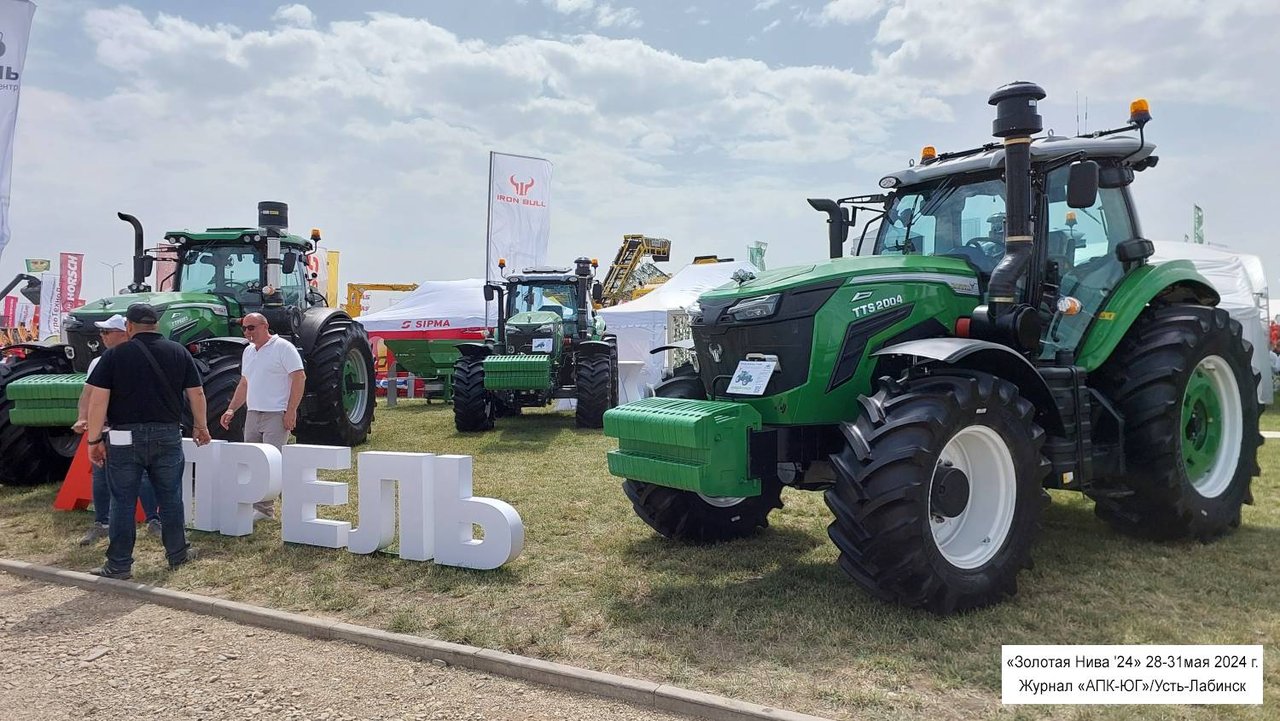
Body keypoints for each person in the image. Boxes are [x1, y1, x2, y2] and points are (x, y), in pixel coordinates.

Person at [84, 303, 211, 579]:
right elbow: (197, 393)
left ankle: (119, 564)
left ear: (128, 326)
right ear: (157, 325)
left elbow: (98, 401)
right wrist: (201, 426)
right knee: (171, 498)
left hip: (123, 438)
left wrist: (94, 440)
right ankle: (178, 554)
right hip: (167, 434)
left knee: (123, 501)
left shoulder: (115, 355)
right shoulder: (178, 351)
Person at [73, 314, 162, 545]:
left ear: (125, 332)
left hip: (130, 428)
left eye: (106, 332)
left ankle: (154, 520)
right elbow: (88, 394)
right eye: (101, 332)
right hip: (107, 429)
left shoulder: (141, 357)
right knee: (101, 476)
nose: (101, 336)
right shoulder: (98, 361)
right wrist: (83, 418)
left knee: (141, 475)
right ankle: (102, 523)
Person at [219, 312, 305, 520]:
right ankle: (261, 506)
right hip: (253, 413)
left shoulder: (283, 347)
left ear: (265, 326)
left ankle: (269, 508)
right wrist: (231, 409)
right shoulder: (248, 351)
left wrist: (291, 410)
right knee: (254, 461)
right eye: (244, 328)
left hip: (276, 413)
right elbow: (244, 383)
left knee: (272, 461)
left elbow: (299, 377)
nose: (247, 332)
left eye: (251, 327)